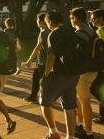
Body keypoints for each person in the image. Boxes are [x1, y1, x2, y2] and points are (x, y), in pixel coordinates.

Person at [40, 10, 80, 139]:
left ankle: (53, 132)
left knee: (44, 101)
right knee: (69, 107)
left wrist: (46, 75)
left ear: (50, 21)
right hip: (74, 74)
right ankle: (71, 136)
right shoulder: (72, 32)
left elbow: (51, 56)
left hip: (59, 74)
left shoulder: (54, 34)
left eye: (47, 23)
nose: (48, 26)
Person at [69, 7, 98, 139]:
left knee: (84, 101)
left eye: (71, 18)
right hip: (94, 69)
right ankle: (79, 126)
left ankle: (89, 132)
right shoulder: (92, 30)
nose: (70, 20)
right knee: (80, 99)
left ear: (75, 18)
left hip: (83, 72)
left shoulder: (78, 34)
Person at [22, 13, 50, 103]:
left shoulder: (44, 32)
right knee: (35, 78)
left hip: (43, 61)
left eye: (37, 21)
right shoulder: (49, 31)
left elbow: (37, 47)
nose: (37, 23)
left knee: (42, 82)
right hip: (41, 61)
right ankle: (33, 96)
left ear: (42, 22)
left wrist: (29, 60)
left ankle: (43, 99)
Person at [90, 9, 104, 125]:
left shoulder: (100, 32)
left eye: (93, 18)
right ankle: (102, 117)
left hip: (102, 68)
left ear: (100, 18)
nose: (91, 20)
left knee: (95, 89)